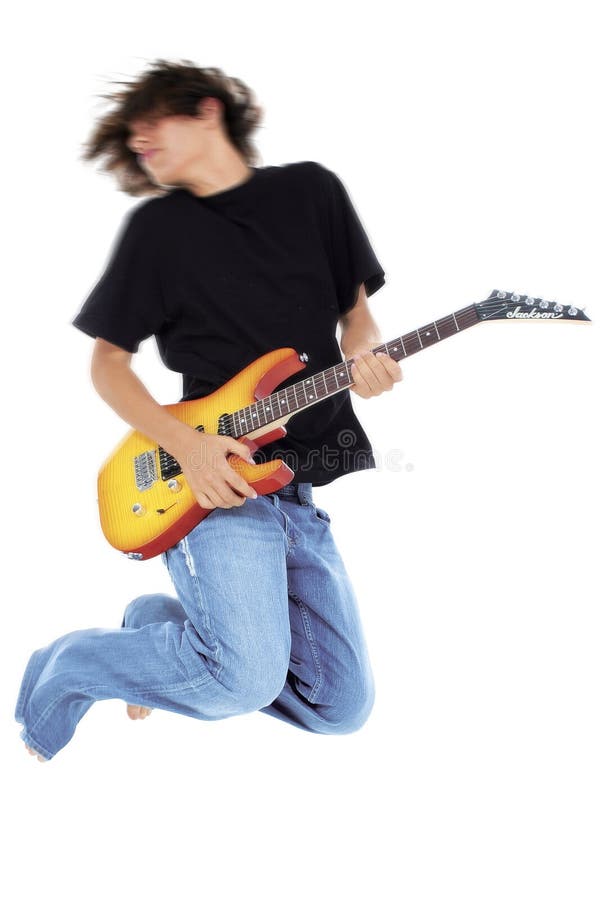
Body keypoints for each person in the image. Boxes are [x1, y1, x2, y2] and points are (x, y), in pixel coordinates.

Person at [15, 59, 402, 762]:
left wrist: (367, 361)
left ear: (207, 110)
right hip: (213, 486)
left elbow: (358, 319)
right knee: (242, 682)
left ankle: (164, 633)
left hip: (299, 484)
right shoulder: (158, 231)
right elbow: (108, 362)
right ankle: (73, 666)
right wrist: (188, 446)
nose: (139, 144)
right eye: (129, 138)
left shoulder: (313, 192)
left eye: (149, 125)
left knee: (341, 706)